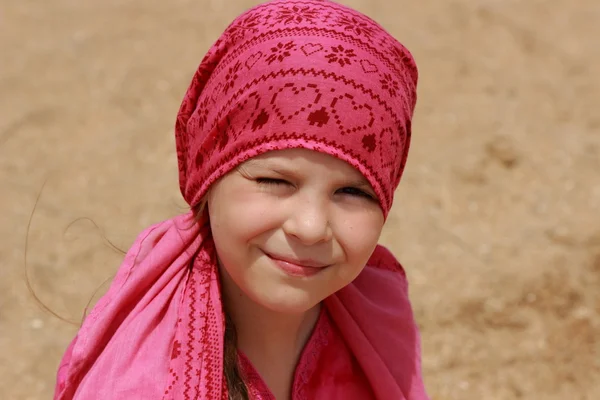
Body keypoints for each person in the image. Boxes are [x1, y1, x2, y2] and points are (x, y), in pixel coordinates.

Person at [53, 0, 428, 399]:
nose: (311, 226)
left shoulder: (379, 316)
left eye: (352, 191)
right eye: (275, 181)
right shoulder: (143, 383)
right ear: (207, 172)